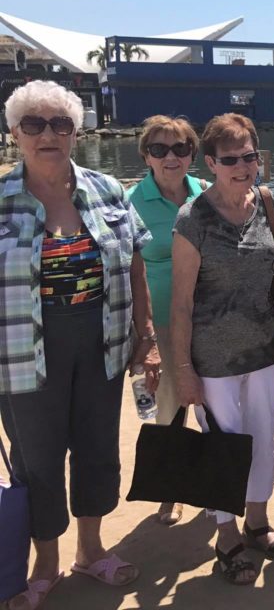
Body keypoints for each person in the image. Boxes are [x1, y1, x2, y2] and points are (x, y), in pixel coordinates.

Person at [0, 81, 156, 609]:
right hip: (22, 353)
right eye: (35, 124)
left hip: (102, 341)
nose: (49, 134)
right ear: (15, 132)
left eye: (60, 124)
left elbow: (135, 262)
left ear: (75, 131)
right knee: (37, 459)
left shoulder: (107, 189)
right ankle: (45, 562)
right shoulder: (1, 200)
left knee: (97, 449)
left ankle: (90, 550)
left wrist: (147, 335)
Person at [171, 113, 274, 585]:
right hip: (213, 357)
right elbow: (180, 303)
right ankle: (225, 535)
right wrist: (183, 369)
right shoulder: (193, 218)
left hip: (263, 346)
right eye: (230, 159)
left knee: (262, 437)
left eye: (249, 156)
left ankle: (257, 520)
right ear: (211, 163)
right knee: (223, 446)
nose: (242, 166)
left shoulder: (265, 202)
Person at [127, 114, 206, 527]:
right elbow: (125, 276)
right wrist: (145, 338)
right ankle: (171, 493)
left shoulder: (208, 195)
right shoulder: (129, 203)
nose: (170, 157)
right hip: (161, 326)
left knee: (214, 407)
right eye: (159, 149)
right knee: (168, 409)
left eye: (180, 148)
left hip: (207, 320)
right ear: (146, 156)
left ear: (193, 153)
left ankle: (215, 485)